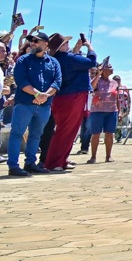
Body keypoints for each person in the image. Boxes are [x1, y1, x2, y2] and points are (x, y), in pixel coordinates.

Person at [7, 31, 59, 177]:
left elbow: (57, 82)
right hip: (24, 104)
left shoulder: (54, 62)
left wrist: (45, 95)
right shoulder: (23, 60)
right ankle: (13, 165)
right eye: (31, 41)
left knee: (36, 135)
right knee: (17, 133)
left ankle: (30, 163)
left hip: (44, 105)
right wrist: (37, 94)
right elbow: (21, 81)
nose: (32, 44)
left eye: (36, 41)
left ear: (45, 44)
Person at [44, 33, 96, 171]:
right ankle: (55, 162)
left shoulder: (56, 59)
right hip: (73, 97)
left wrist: (75, 50)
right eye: (66, 43)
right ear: (61, 47)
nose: (68, 45)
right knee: (66, 131)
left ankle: (60, 160)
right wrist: (89, 47)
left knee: (66, 130)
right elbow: (91, 62)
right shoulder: (69, 58)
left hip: (62, 97)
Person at [87, 59, 120, 163]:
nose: (111, 69)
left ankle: (108, 156)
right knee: (95, 134)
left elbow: (117, 97)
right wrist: (98, 74)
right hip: (97, 111)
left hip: (112, 111)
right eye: (109, 67)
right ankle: (93, 157)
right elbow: (91, 87)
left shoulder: (114, 83)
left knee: (109, 134)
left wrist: (119, 111)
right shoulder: (96, 80)